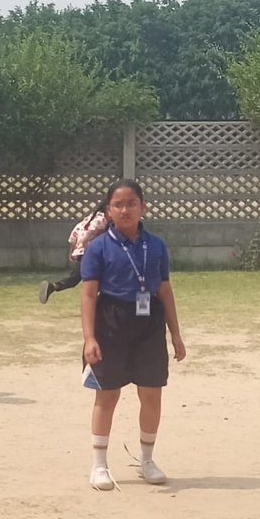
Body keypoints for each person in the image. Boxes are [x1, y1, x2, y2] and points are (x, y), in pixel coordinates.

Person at [80, 179, 186, 489]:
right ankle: (99, 465)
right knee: (107, 394)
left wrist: (175, 334)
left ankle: (147, 460)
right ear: (108, 211)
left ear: (143, 207)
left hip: (148, 322)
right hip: (110, 323)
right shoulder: (98, 247)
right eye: (118, 205)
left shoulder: (157, 246)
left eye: (131, 203)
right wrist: (90, 338)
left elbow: (164, 290)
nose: (125, 210)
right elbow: (88, 295)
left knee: (151, 393)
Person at [38, 209, 109, 304]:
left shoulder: (87, 219)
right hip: (90, 252)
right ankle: (53, 287)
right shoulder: (102, 218)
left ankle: (53, 287)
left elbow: (74, 234)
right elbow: (92, 230)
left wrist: (72, 251)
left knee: (77, 278)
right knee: (94, 279)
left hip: (81, 252)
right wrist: (85, 240)